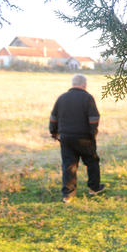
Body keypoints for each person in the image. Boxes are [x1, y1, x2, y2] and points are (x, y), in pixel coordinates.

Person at [49, 74, 105, 203]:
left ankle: (68, 195)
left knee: (69, 165)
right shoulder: (88, 98)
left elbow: (53, 118)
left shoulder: (62, 98)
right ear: (84, 85)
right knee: (92, 162)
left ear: (72, 84)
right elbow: (94, 118)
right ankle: (94, 188)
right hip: (84, 138)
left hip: (66, 138)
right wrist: (93, 134)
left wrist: (54, 132)